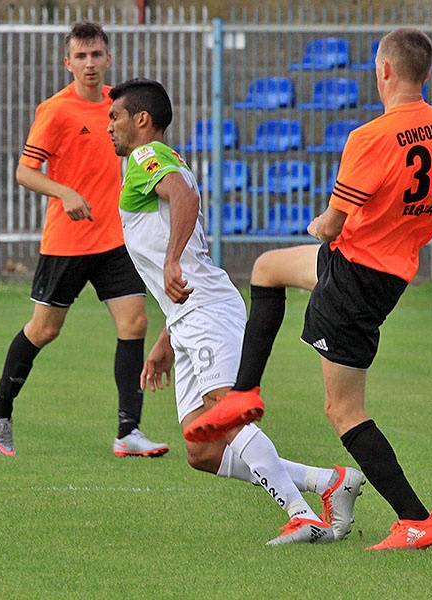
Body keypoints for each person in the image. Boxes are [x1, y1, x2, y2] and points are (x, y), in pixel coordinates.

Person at [185, 28, 432, 551]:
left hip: (354, 274)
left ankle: (416, 520)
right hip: (381, 270)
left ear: (384, 70)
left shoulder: (371, 137)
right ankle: (243, 394)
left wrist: (318, 223)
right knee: (267, 268)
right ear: (426, 75)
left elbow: (333, 224)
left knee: (344, 411)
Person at [107, 76, 366, 545]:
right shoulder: (154, 163)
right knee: (201, 448)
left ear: (141, 120)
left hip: (207, 309)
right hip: (189, 315)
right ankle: (328, 482)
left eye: (115, 117)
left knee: (224, 414)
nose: (109, 126)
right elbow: (183, 240)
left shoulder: (147, 156)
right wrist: (167, 335)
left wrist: (169, 261)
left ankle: (302, 515)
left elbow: (186, 200)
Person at [0, 22, 168, 458]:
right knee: (45, 329)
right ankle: (0, 410)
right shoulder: (55, 110)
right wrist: (63, 191)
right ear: (68, 62)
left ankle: (128, 431)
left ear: (108, 59)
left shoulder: (117, 107)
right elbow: (25, 171)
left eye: (96, 54)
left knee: (135, 323)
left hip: (113, 237)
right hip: (66, 241)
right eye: (81, 56)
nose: (89, 63)